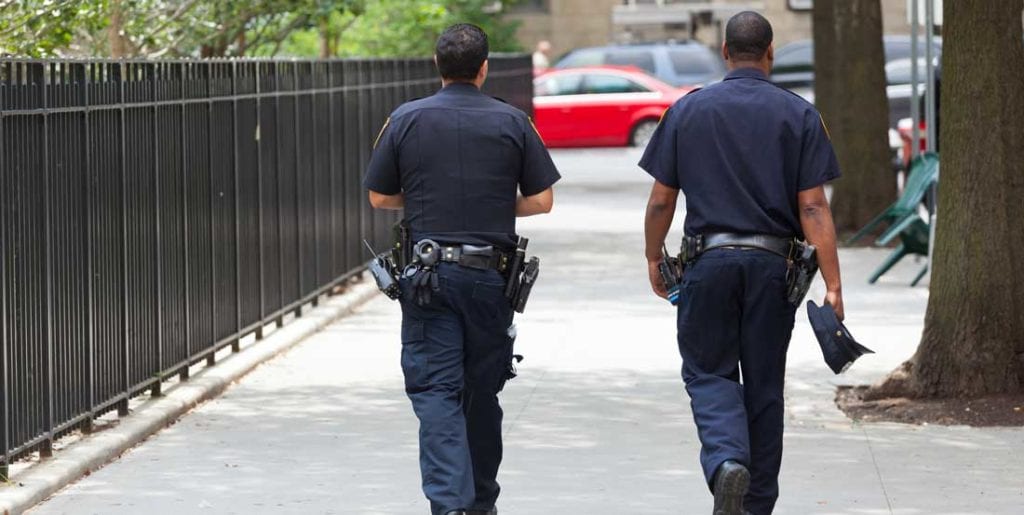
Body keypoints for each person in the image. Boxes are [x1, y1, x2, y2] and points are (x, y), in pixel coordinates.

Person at [640, 11, 843, 515]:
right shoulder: (799, 114)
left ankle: (727, 460)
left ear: (725, 53)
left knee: (708, 372)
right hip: (775, 270)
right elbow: (813, 205)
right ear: (770, 52)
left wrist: (652, 255)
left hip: (707, 264)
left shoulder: (687, 111)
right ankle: (755, 505)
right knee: (764, 384)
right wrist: (834, 285)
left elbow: (662, 199)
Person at [364, 23, 561, 515]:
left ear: (437, 66)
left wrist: (435, 200)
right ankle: (479, 503)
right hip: (488, 279)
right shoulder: (513, 121)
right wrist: (491, 202)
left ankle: (452, 505)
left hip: (428, 277)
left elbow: (380, 196)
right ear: (484, 68)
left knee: (436, 392)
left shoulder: (405, 119)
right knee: (482, 391)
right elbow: (542, 200)